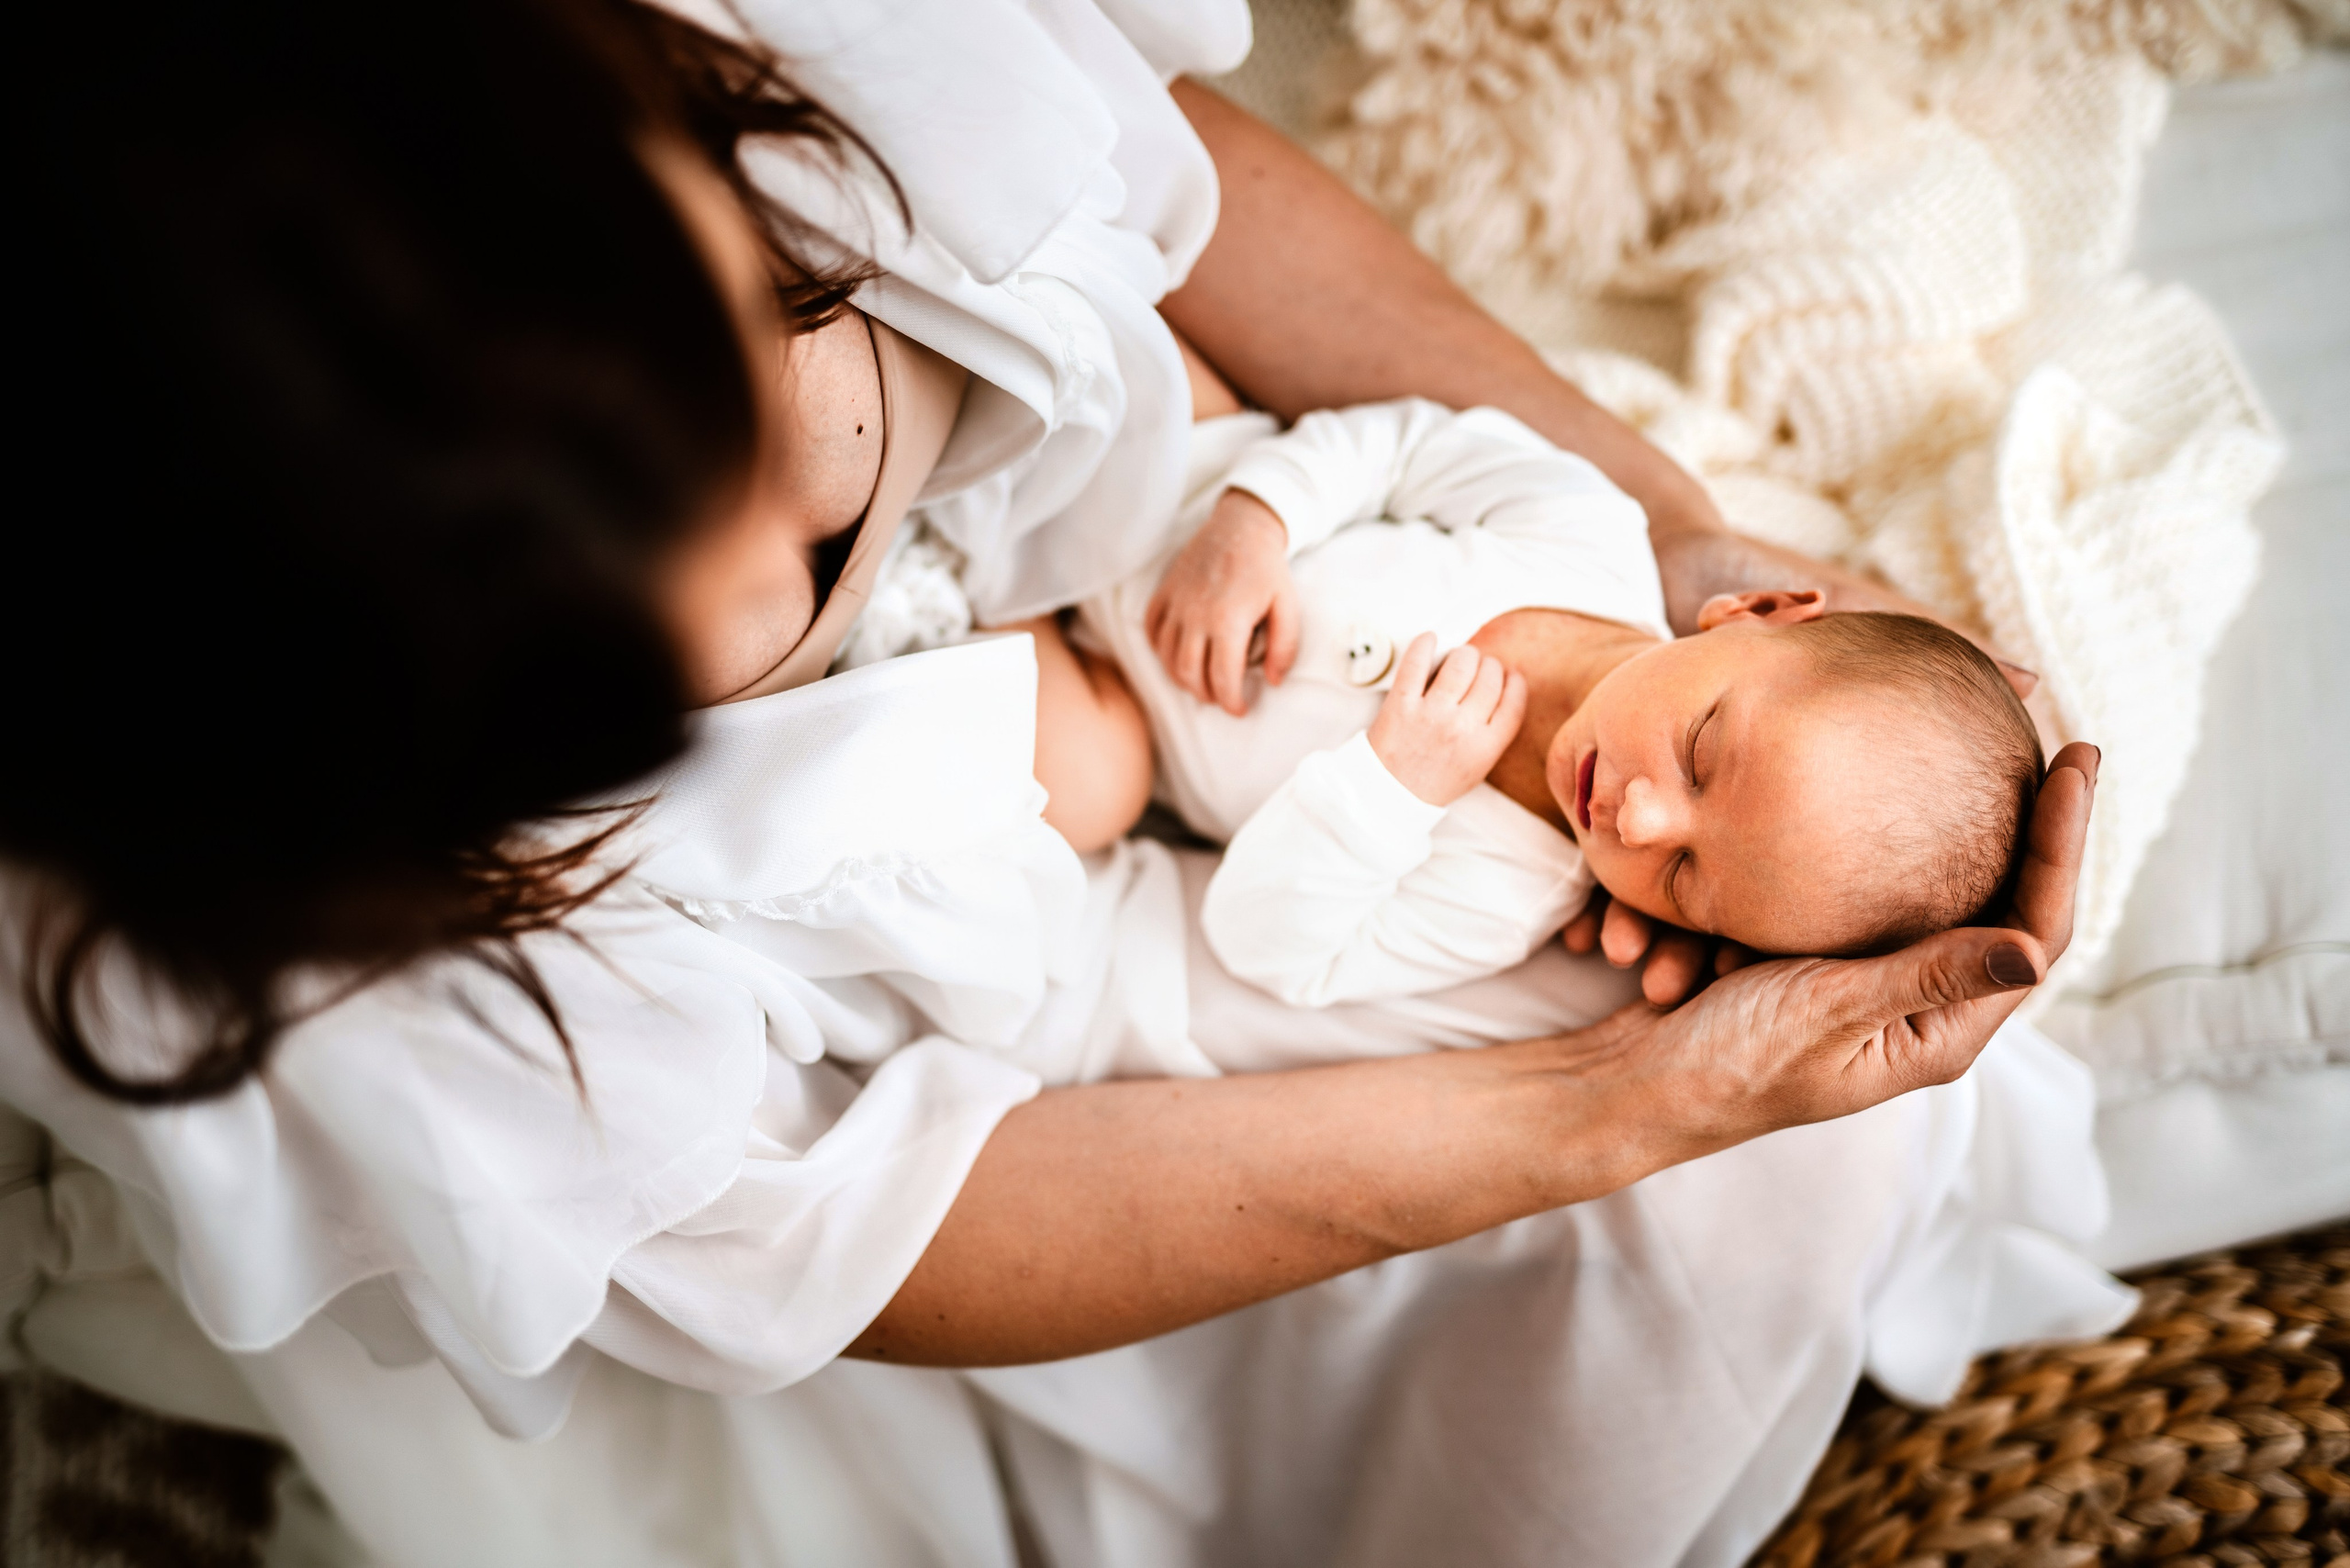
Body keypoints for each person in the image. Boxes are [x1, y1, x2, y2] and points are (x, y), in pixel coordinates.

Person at [0, 1, 2118, 1563]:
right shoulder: (320, 967)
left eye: (769, 338)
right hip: (1025, 1080)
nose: (793, 563)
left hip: (1218, 725)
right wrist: (1632, 1102)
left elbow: (1164, 180)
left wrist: (1670, 546)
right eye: (656, 657)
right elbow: (890, 1233)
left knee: (1805, 1158)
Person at [1058, 394, 2038, 1011]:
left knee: (1076, 782)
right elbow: (1401, 446)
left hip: (1130, 712)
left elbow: (1270, 951)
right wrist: (1259, 517)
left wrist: (1388, 793)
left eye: (1688, 877)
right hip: (1198, 481)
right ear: (1754, 610)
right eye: (1700, 754)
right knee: (1136, 366)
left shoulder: (1500, 895)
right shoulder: (1584, 535)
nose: (1642, 818)